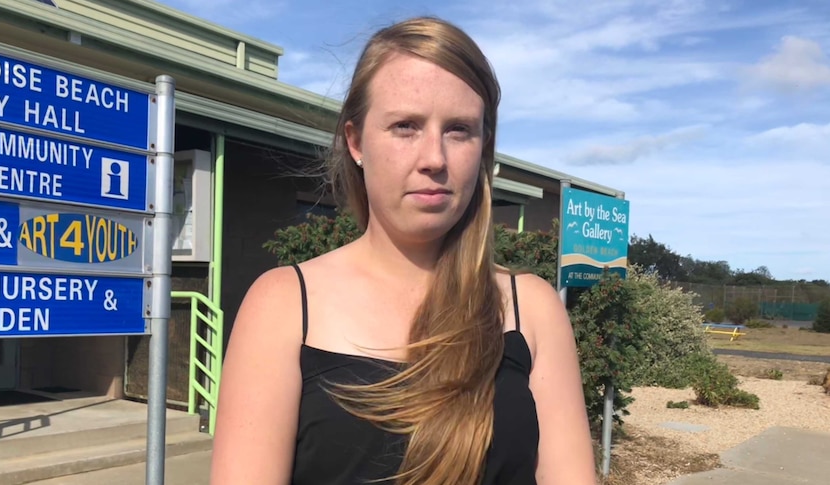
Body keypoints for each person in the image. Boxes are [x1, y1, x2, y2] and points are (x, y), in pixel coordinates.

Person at [210, 16, 597, 485]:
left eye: (458, 129)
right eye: (405, 126)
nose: (434, 157)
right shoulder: (283, 305)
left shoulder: (530, 308)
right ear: (355, 141)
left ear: (483, 148)